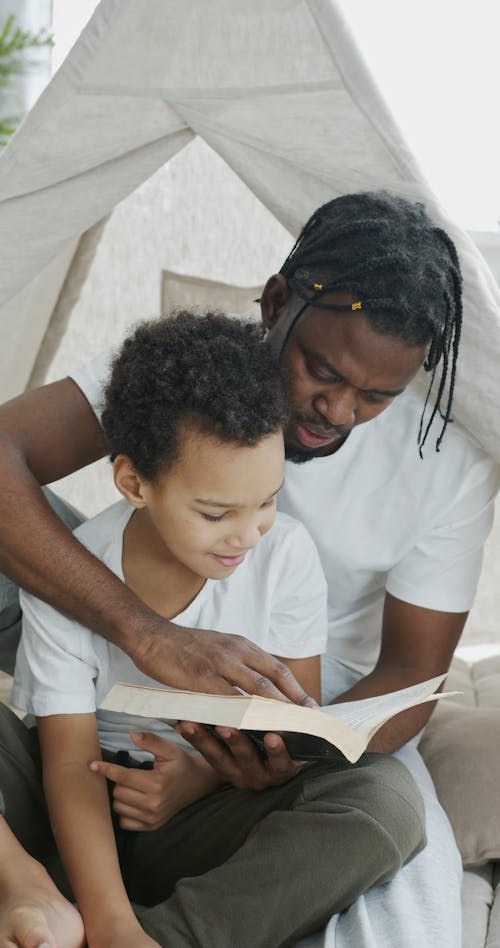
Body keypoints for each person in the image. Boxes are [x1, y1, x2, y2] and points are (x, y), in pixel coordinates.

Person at [0, 190, 497, 947]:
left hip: (271, 721)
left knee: (383, 810)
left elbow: (411, 671)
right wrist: (143, 632)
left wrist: (267, 759)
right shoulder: (188, 371)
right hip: (102, 671)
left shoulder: (426, 475)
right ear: (274, 305)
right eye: (320, 371)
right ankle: (40, 885)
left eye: (375, 398)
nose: (337, 411)